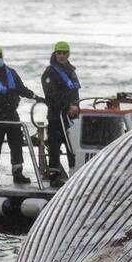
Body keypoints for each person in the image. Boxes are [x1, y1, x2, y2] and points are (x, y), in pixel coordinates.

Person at [0, 45, 42, 186]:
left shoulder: (11, 73)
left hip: (12, 115)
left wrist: (35, 96)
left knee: (16, 143)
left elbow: (21, 89)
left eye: (0, 56)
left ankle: (18, 173)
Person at [41, 41, 81, 187]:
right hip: (56, 115)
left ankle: (74, 173)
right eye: (59, 52)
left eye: (65, 53)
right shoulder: (49, 73)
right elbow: (51, 94)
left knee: (73, 145)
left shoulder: (71, 70)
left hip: (71, 115)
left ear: (68, 54)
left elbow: (75, 91)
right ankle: (54, 175)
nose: (62, 55)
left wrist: (75, 106)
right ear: (55, 53)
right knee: (54, 145)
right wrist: (67, 105)